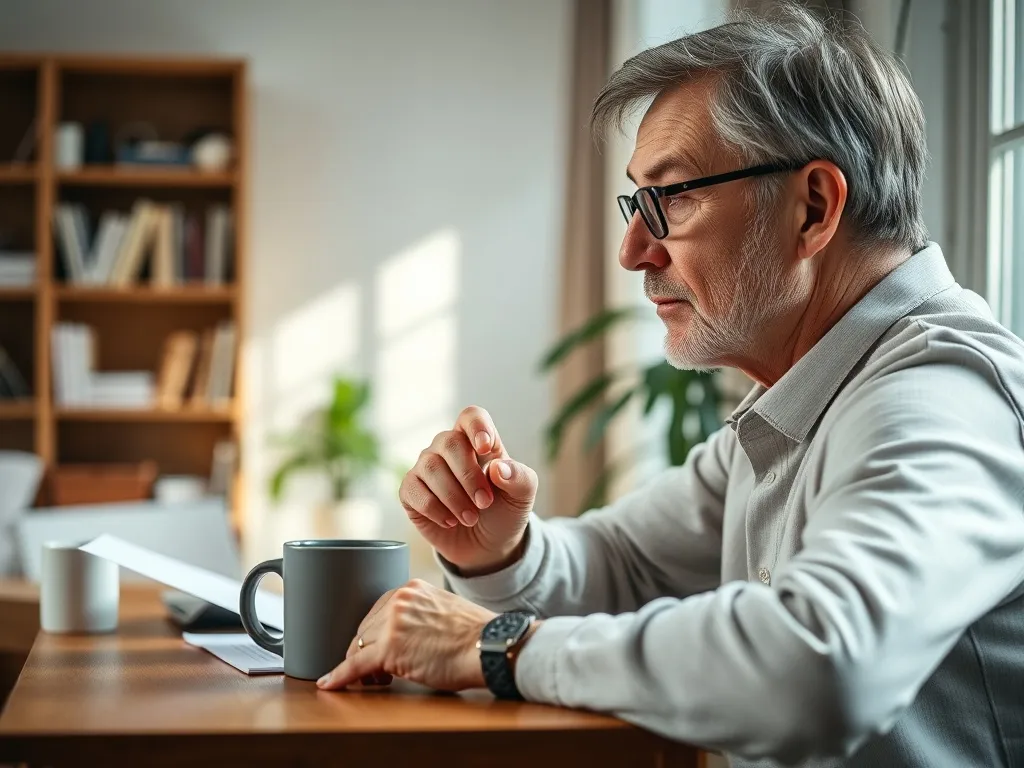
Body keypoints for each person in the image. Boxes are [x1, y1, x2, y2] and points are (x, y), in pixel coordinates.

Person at [317, 5, 1024, 767]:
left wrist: (500, 646)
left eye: (674, 196)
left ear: (813, 207)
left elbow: (821, 665)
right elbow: (622, 565)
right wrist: (501, 552)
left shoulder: (941, 395)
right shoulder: (804, 396)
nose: (631, 251)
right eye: (636, 201)